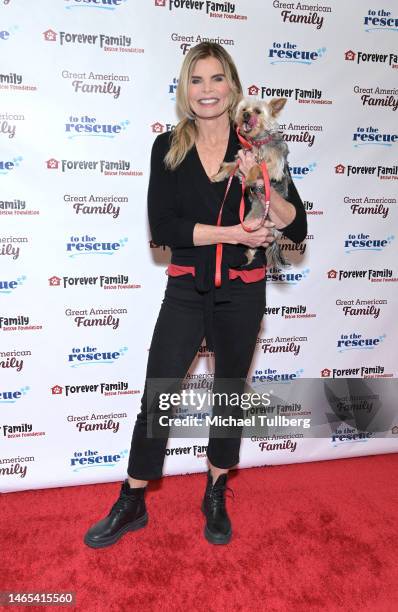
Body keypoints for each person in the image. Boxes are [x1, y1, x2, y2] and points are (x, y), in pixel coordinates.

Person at [84, 42, 307, 548]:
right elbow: (164, 228)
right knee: (157, 394)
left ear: (233, 85)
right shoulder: (168, 147)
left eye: (216, 79)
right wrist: (231, 234)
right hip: (187, 287)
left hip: (242, 291)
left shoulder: (256, 145)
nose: (207, 90)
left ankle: (214, 490)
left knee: (228, 394)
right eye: (196, 80)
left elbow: (298, 228)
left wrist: (266, 187)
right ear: (186, 90)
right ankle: (133, 497)